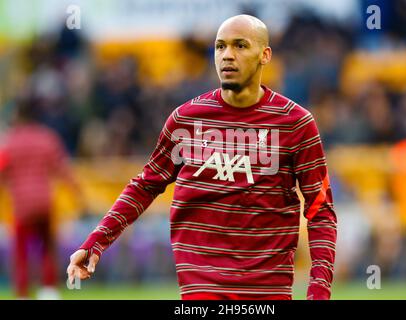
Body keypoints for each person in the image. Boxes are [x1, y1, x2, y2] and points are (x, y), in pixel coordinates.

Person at [67, 14, 337, 300]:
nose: (227, 55)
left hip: (266, 293)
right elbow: (145, 185)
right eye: (220, 47)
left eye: (240, 46)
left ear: (265, 55)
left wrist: (319, 291)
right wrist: (96, 241)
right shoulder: (186, 120)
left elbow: (320, 210)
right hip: (201, 290)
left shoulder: (295, 123)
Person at [0, 95, 85, 299]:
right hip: (45, 202)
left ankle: (22, 292)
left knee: (21, 251)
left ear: (18, 115)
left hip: (22, 204)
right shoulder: (47, 137)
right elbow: (64, 170)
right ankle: (49, 289)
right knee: (47, 247)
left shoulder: (11, 140)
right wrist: (79, 197)